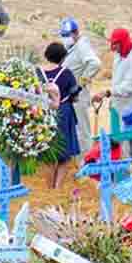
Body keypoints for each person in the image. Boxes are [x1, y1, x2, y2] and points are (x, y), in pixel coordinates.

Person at [92, 28, 132, 160]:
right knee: (119, 143)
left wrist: (108, 92)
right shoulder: (119, 55)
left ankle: (131, 175)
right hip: (119, 105)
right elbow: (117, 81)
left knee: (129, 144)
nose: (112, 47)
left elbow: (128, 86)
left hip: (131, 106)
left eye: (115, 44)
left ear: (123, 42)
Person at [59, 18, 101, 157]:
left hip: (78, 94)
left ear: (76, 32)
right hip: (70, 95)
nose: (65, 38)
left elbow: (95, 64)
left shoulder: (82, 46)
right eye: (63, 35)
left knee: (82, 130)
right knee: (75, 130)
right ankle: (78, 162)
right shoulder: (71, 47)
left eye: (68, 35)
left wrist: (80, 84)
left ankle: (86, 163)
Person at [42, 42, 81, 189]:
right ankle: (57, 188)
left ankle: (48, 188)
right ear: (62, 58)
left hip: (43, 114)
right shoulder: (66, 73)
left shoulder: (38, 73)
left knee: (49, 154)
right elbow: (75, 97)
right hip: (63, 114)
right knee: (65, 155)